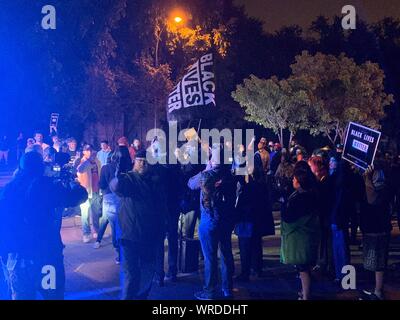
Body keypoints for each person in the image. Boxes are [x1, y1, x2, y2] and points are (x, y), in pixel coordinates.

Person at [0, 152, 87, 300]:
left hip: (18, 259)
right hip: (46, 257)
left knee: (22, 295)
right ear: (40, 167)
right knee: (52, 294)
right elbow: (77, 197)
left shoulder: (9, 189)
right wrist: (73, 182)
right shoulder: (45, 186)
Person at [110, 149, 167, 300]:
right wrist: (118, 174)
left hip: (150, 237)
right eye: (140, 160)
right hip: (130, 237)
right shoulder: (128, 178)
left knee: (147, 277)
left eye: (146, 161)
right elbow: (116, 187)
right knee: (131, 277)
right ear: (135, 161)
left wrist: (162, 229)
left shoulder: (155, 180)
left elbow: (161, 207)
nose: (143, 163)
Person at [188, 144, 237, 300]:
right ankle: (227, 288)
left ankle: (209, 291)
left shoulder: (206, 175)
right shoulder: (230, 175)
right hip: (226, 220)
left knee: (210, 257)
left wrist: (206, 167)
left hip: (209, 220)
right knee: (226, 254)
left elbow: (190, 183)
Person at [280, 162, 320, 300]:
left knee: (303, 269)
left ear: (300, 182)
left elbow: (289, 216)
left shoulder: (302, 198)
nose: (292, 180)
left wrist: (284, 205)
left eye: (294, 179)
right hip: (304, 237)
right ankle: (304, 292)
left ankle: (306, 295)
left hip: (301, 238)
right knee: (303, 268)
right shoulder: (306, 194)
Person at [235, 164, 275, 281]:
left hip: (247, 220)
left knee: (245, 247)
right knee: (256, 245)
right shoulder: (261, 185)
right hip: (257, 220)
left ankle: (245, 272)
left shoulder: (248, 187)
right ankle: (257, 268)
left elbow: (242, 204)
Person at [359, 162, 392, 300]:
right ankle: (376, 289)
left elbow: (371, 199)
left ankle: (378, 291)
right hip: (379, 229)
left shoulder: (377, 192)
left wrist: (367, 178)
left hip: (376, 230)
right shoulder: (383, 189)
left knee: (377, 264)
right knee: (377, 263)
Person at [93, 151, 121, 264]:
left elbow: (102, 184)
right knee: (110, 220)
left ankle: (114, 248)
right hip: (119, 197)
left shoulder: (105, 167)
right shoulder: (123, 167)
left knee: (110, 222)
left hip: (108, 197)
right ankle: (100, 240)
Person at [75, 144, 103, 243]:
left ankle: (96, 230)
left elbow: (100, 173)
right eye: (87, 150)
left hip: (96, 190)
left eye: (91, 149)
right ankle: (86, 233)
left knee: (96, 212)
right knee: (85, 214)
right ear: (83, 152)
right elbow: (79, 169)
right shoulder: (81, 161)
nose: (89, 151)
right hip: (85, 191)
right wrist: (88, 160)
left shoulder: (97, 161)